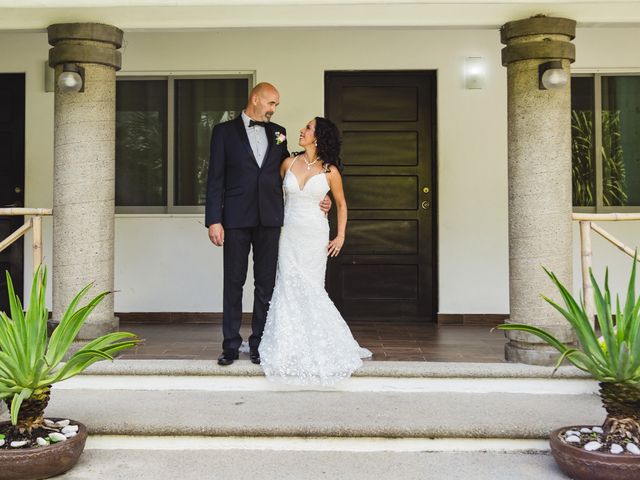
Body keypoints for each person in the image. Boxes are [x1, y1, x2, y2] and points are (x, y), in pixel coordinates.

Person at [205, 83, 328, 366]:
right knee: (233, 283)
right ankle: (231, 345)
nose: (274, 109)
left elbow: (297, 170)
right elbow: (215, 179)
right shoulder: (223, 132)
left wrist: (321, 196)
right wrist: (214, 219)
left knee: (265, 285)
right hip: (235, 218)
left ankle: (259, 343)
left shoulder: (279, 134)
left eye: (276, 105)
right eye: (271, 103)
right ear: (255, 98)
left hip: (270, 219)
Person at [259, 117, 372, 386]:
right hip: (288, 235)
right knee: (287, 286)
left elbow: (342, 205)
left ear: (318, 136)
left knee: (311, 288)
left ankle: (318, 341)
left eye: (308, 128)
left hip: (314, 237)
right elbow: (271, 194)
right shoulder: (287, 162)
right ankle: (289, 343)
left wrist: (340, 235)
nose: (301, 130)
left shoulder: (330, 171)